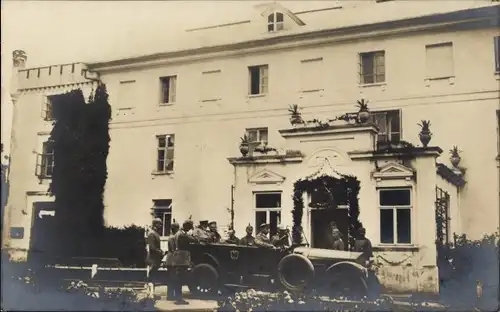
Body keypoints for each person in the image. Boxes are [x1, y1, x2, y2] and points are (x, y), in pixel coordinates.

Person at [170, 219, 197, 305]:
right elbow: (194, 239)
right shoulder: (182, 234)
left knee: (180, 278)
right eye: (189, 227)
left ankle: (179, 298)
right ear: (187, 226)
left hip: (181, 258)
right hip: (181, 259)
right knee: (180, 279)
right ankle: (179, 299)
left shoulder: (181, 233)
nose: (190, 229)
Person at [146, 218, 165, 299]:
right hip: (152, 259)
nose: (161, 226)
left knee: (153, 276)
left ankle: (151, 294)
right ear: (155, 224)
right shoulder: (151, 234)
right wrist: (161, 252)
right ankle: (150, 294)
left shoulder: (155, 233)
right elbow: (152, 247)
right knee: (151, 276)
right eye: (159, 224)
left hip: (155, 258)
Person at [166, 221, 180, 301]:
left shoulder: (173, 237)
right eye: (177, 228)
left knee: (172, 278)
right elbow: (173, 249)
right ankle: (170, 296)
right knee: (172, 278)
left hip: (171, 259)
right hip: (171, 260)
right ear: (175, 229)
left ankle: (171, 295)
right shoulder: (172, 238)